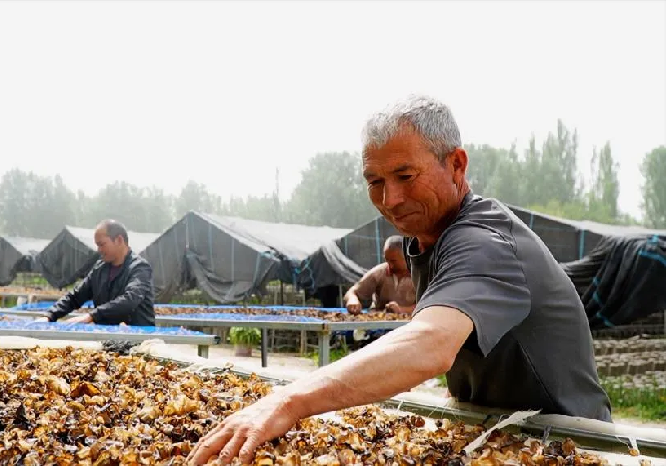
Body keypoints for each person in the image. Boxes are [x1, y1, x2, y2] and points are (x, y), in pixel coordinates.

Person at [188, 95, 611, 464]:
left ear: (456, 164)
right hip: (503, 436)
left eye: (406, 177)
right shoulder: (428, 242)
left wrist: (289, 399)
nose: (390, 199)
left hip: (569, 447)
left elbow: (429, 345)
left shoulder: (483, 241)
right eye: (375, 182)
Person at [36, 220, 155, 326]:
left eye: (102, 244)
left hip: (137, 338)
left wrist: (92, 315)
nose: (99, 250)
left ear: (119, 240)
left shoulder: (139, 268)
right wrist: (49, 315)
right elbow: (75, 296)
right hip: (107, 338)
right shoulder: (100, 269)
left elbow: (130, 300)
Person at [344, 235, 416, 315]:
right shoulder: (379, 272)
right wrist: (352, 299)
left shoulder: (420, 275)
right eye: (387, 260)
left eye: (393, 261)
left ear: (406, 256)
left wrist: (402, 310)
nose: (390, 265)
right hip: (380, 321)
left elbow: (428, 304)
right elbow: (352, 292)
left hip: (414, 321)